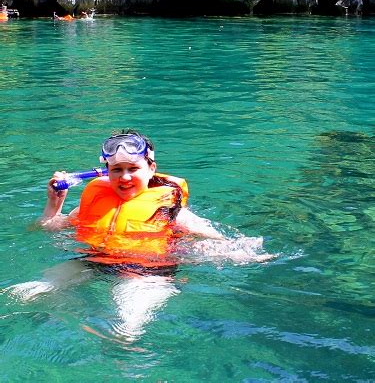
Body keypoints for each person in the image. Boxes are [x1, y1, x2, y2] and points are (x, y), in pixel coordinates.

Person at [7, 129, 273, 341]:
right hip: (94, 261)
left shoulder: (169, 210)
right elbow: (44, 229)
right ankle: (79, 314)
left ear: (151, 168)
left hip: (146, 273)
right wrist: (54, 204)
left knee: (126, 330)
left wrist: (244, 252)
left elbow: (218, 240)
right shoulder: (94, 201)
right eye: (116, 170)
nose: (124, 177)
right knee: (27, 292)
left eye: (133, 169)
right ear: (106, 172)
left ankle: (86, 324)